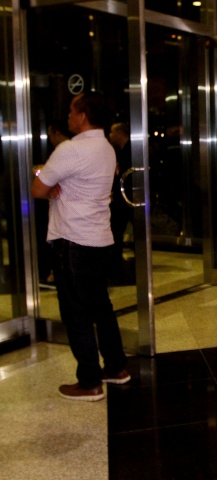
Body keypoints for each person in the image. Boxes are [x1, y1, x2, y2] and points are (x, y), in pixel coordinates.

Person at [31, 92, 130, 401]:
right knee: (101, 307)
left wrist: (46, 180)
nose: (68, 117)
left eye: (72, 112)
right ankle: (116, 367)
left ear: (83, 116)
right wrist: (54, 183)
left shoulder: (70, 149)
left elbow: (38, 188)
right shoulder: (107, 148)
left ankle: (89, 382)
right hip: (99, 239)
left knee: (76, 313)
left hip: (72, 241)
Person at [35, 120, 73, 285]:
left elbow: (38, 189)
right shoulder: (72, 149)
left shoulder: (64, 150)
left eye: (50, 135)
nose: (50, 139)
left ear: (57, 133)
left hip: (65, 215)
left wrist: (43, 177)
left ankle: (54, 272)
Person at [108, 122, 133, 282]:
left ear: (119, 133)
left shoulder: (129, 151)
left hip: (127, 198)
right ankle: (115, 264)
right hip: (124, 197)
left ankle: (116, 266)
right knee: (117, 230)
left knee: (117, 229)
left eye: (112, 132)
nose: (110, 135)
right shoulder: (120, 151)